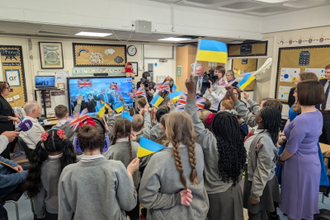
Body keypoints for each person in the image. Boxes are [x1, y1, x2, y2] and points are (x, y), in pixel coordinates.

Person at [185, 74, 246, 220]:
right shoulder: (239, 143)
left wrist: (191, 93)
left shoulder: (211, 143)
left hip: (216, 196)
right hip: (236, 190)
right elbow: (239, 114)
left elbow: (193, 121)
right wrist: (232, 97)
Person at [58, 118, 139, 220]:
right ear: (105, 142)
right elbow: (129, 204)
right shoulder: (116, 168)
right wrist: (129, 173)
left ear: (77, 144)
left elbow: (64, 215)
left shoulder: (68, 172)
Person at [139, 110, 209, 220]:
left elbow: (146, 198)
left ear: (168, 131)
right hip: (197, 212)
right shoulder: (198, 149)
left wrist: (175, 199)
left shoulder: (159, 159)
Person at [279, 80, 325, 220]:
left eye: (297, 91)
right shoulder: (318, 113)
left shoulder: (302, 120)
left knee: (295, 204)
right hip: (312, 162)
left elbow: (291, 149)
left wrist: (280, 159)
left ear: (304, 94)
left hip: (298, 165)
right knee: (302, 201)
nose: (295, 94)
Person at [24, 129, 77, 220]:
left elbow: (39, 196)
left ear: (44, 146)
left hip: (52, 212)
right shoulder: (74, 164)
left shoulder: (41, 167)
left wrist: (39, 214)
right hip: (73, 210)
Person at [243, 106, 281, 220]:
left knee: (254, 212)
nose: (256, 113)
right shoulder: (260, 130)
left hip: (258, 183)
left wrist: (255, 194)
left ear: (260, 119)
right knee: (261, 212)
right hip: (255, 180)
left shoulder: (264, 140)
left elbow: (262, 170)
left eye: (258, 112)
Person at [104, 118, 140, 220]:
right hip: (134, 189)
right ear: (131, 131)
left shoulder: (110, 151)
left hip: (115, 192)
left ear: (114, 130)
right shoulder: (137, 147)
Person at [0, 132, 24, 220]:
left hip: (8, 173)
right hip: (5, 184)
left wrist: (13, 164)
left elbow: (1, 158)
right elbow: (2, 181)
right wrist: (24, 175)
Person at [0, 81, 21, 159]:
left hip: (8, 127)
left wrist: (14, 113)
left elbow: (7, 110)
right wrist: (11, 117)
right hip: (3, 129)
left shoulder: (3, 99)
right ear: (1, 89)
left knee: (8, 150)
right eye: (7, 88)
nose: (9, 89)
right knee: (4, 153)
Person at [318, 64, 330, 145]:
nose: (325, 74)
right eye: (325, 72)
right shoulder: (322, 82)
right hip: (319, 113)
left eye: (328, 72)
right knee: (318, 136)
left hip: (329, 114)